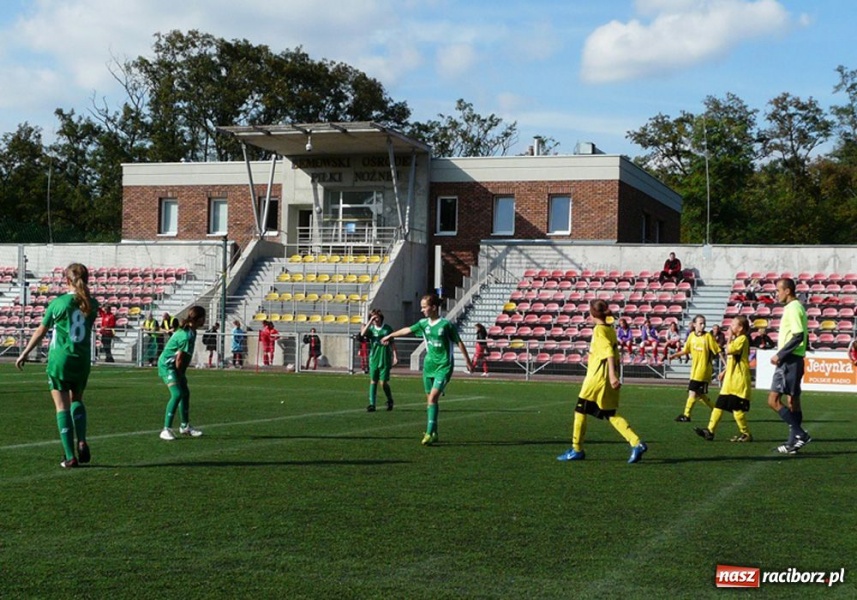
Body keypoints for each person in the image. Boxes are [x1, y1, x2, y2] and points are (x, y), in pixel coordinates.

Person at [15, 263, 99, 468]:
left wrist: (24, 353)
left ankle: (70, 456)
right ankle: (82, 439)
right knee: (77, 399)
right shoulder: (93, 304)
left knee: (62, 406)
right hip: (82, 359)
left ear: (67, 280)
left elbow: (41, 332)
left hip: (61, 359)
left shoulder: (58, 304)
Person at [556, 299, 648, 463]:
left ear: (592, 314)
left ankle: (577, 449)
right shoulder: (610, 329)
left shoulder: (599, 330)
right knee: (610, 414)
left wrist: (612, 375)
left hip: (597, 378)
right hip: (605, 379)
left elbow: (608, 353)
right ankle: (636, 443)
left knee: (580, 410)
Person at [381, 293, 472, 446]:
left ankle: (429, 433)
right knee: (430, 400)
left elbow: (459, 342)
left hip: (444, 366)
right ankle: (434, 432)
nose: (422, 310)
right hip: (429, 366)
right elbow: (407, 330)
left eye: (424, 307)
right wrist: (390, 335)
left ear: (434, 307)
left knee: (432, 398)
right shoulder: (423, 324)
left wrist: (467, 360)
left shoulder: (446, 325)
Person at [767, 278, 811, 454]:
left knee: (773, 400)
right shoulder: (797, 307)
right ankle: (793, 443)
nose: (776, 294)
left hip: (790, 360)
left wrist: (781, 354)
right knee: (793, 400)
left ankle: (801, 435)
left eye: (778, 290)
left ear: (787, 291)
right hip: (796, 359)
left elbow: (798, 335)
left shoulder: (792, 308)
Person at [694, 315, 753, 442]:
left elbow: (729, 350)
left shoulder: (742, 339)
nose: (730, 327)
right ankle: (710, 431)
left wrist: (730, 337)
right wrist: (724, 371)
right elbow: (733, 360)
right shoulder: (738, 338)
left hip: (738, 381)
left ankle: (746, 433)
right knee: (718, 406)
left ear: (740, 328)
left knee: (737, 409)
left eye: (733, 325)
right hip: (729, 381)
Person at [158, 306, 206, 440]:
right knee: (177, 393)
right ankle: (165, 429)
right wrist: (180, 374)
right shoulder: (185, 335)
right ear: (200, 318)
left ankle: (185, 426)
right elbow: (179, 358)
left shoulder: (191, 332)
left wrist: (182, 374)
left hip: (175, 366)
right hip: (167, 366)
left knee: (185, 393)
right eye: (204, 318)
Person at [669, 315, 722, 422]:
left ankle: (686, 415)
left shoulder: (708, 336)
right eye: (700, 323)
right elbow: (686, 350)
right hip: (694, 370)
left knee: (692, 392)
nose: (703, 326)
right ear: (694, 325)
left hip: (703, 371)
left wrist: (726, 365)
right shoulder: (691, 336)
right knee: (699, 394)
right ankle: (716, 410)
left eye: (704, 323)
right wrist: (674, 355)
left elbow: (718, 350)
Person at [360, 309, 398, 412]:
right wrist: (369, 321)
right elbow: (362, 333)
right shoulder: (371, 329)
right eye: (373, 318)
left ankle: (390, 400)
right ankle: (372, 404)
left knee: (383, 382)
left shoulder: (387, 329)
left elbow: (392, 343)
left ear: (380, 317)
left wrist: (395, 356)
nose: (375, 319)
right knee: (373, 381)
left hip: (385, 358)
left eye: (376, 317)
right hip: (374, 358)